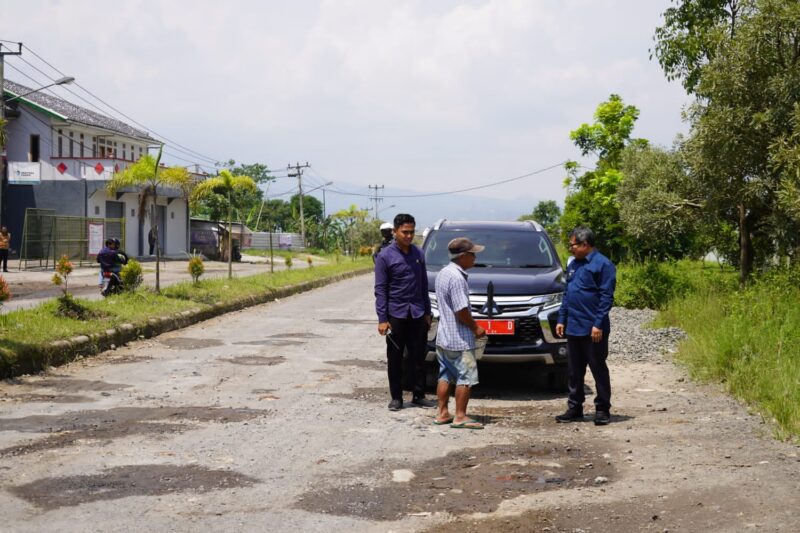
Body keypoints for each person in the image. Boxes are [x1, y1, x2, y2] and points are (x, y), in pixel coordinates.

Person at [555, 226, 616, 426]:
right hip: (573, 326)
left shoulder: (603, 265)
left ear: (585, 244)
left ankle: (602, 409)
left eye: (572, 244)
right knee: (574, 370)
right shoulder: (573, 264)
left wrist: (598, 324)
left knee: (598, 368)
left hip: (593, 330)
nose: (570, 248)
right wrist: (562, 318)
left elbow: (606, 297)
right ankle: (575, 408)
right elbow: (568, 293)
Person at [374, 213, 435, 411]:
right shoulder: (385, 256)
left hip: (417, 313)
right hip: (396, 315)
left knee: (418, 356)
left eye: (411, 232)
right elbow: (380, 290)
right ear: (395, 232)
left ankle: (419, 394)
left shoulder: (418, 254)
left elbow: (423, 285)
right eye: (405, 232)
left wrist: (427, 311)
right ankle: (397, 397)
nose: (409, 236)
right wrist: (382, 319)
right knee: (395, 358)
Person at [433, 237, 487, 429]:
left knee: (445, 375)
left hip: (444, 336)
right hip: (459, 338)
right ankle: (460, 416)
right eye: (472, 254)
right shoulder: (457, 278)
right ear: (463, 256)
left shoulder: (443, 273)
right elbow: (461, 310)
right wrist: (475, 328)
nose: (474, 258)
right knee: (466, 377)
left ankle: (442, 413)